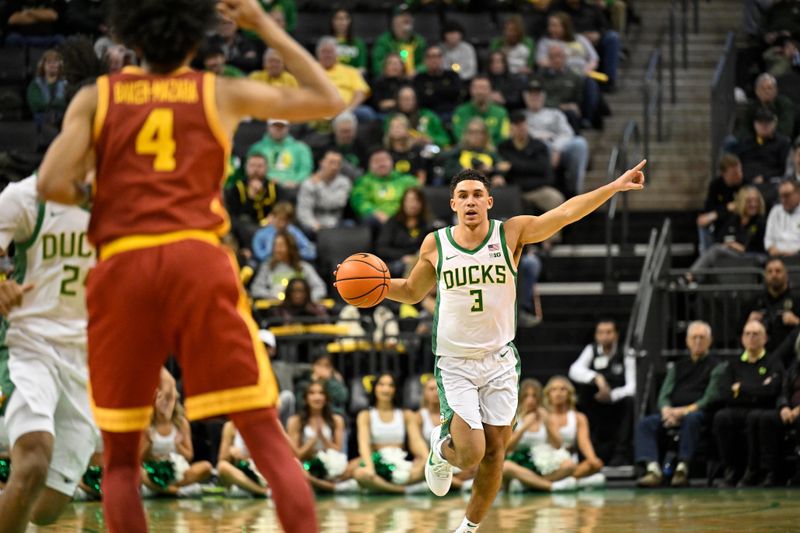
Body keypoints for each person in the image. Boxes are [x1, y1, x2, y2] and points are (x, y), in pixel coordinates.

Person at [35, 1, 345, 531]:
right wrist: (262, 23)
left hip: (124, 263)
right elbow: (328, 97)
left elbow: (50, 183)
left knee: (121, 461)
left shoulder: (97, 97)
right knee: (265, 437)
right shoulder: (217, 91)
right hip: (195, 258)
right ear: (194, 38)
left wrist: (99, 196)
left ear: (131, 38)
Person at [379, 158, 644, 532]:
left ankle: (467, 529)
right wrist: (376, 287)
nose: (470, 201)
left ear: (489, 202)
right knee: (470, 455)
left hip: (500, 360)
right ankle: (441, 450)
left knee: (495, 454)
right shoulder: (435, 244)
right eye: (462, 196)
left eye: (477, 195)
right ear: (452, 205)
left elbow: (566, 212)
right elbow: (411, 291)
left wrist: (612, 187)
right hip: (455, 362)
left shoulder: (511, 234)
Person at [0, 174, 98, 532]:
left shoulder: (128, 204)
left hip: (85, 358)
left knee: (46, 506)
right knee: (34, 459)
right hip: (28, 343)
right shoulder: (28, 196)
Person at [635, 321, 726, 487]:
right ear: (687, 341)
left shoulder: (718, 367)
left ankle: (682, 468)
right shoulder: (677, 367)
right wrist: (666, 411)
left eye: (702, 337)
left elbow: (709, 397)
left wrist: (683, 412)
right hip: (673, 413)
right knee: (646, 424)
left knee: (693, 419)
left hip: (699, 413)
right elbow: (664, 395)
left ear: (710, 341)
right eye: (694, 337)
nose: (698, 341)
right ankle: (653, 469)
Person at [713, 320, 783, 487]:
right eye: (747, 334)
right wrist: (757, 388)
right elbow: (725, 393)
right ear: (742, 339)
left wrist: (741, 388)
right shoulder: (733, 364)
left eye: (756, 334)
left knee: (756, 417)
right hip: (736, 409)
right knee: (721, 417)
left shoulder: (773, 362)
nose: (751, 338)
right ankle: (732, 469)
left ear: (765, 338)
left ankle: (754, 470)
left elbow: (772, 391)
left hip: (762, 409)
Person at [568, 319, 635, 465]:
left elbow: (632, 386)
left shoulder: (626, 352)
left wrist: (612, 395)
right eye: (601, 332)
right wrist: (596, 377)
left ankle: (621, 453)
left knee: (630, 402)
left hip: (618, 402)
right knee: (583, 395)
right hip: (596, 400)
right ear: (596, 336)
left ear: (616, 335)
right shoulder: (591, 349)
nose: (605, 336)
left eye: (609, 332)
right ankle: (587, 452)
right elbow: (574, 370)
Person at [352, 374, 427, 494]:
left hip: (401, 464)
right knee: (360, 474)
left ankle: (384, 487)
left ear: (395, 389)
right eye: (381, 385)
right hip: (376, 464)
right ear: (375, 388)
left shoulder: (406, 414)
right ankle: (403, 491)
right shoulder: (365, 415)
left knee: (425, 469)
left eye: (390, 385)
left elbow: (416, 441)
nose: (386, 389)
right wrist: (369, 467)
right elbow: (363, 444)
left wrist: (425, 458)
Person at [503, 379, 577, 492]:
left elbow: (558, 445)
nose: (530, 400)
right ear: (521, 397)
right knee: (506, 466)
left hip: (542, 462)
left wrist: (547, 423)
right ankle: (551, 486)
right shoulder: (514, 417)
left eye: (534, 396)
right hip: (519, 462)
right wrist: (524, 427)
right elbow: (507, 448)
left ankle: (526, 484)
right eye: (526, 396)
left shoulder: (546, 415)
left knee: (570, 465)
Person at [684, 186, 767, 285]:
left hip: (753, 257)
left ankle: (690, 277)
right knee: (714, 252)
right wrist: (730, 245)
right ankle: (696, 283)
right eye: (749, 201)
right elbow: (720, 239)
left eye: (756, 201)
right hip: (732, 256)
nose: (753, 204)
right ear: (741, 202)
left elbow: (758, 247)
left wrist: (735, 245)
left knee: (715, 251)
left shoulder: (761, 222)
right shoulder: (734, 219)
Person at [523, 79, 590, 197]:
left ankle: (575, 190)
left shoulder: (555, 113)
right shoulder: (522, 116)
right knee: (543, 145)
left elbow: (567, 133)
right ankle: (551, 187)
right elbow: (523, 134)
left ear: (543, 97)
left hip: (559, 147)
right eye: (531, 95)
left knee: (580, 143)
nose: (535, 98)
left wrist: (556, 148)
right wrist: (541, 137)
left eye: (537, 95)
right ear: (525, 98)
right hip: (536, 151)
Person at [140, 392, 212, 496]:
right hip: (153, 471)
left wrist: (178, 446)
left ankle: (161, 489)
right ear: (153, 401)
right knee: (138, 472)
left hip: (179, 470)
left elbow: (189, 456)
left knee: (206, 466)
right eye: (160, 398)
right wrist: (148, 444)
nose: (165, 402)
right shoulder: (146, 425)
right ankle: (177, 491)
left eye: (169, 399)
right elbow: (139, 459)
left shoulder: (181, 423)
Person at [286, 381, 354, 492]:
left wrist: (323, 438)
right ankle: (333, 488)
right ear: (305, 398)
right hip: (306, 464)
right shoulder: (295, 421)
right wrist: (311, 442)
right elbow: (296, 454)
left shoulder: (336, 420)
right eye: (312, 393)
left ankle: (319, 485)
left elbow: (337, 450)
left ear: (326, 398)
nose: (317, 397)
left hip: (330, 463)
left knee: (355, 465)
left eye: (321, 393)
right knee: (297, 469)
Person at [543, 376, 606, 485]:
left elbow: (584, 442)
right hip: (546, 461)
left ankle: (551, 483)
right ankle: (574, 482)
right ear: (548, 394)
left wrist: (593, 459)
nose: (558, 393)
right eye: (554, 390)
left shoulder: (578, 417)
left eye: (563, 389)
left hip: (570, 460)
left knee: (593, 464)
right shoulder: (542, 415)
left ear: (569, 394)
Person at [498, 110, 563, 214]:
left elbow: (544, 170)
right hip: (514, 191)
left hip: (537, 189)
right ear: (511, 128)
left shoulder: (539, 146)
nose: (521, 128)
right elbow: (501, 169)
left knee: (556, 199)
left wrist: (514, 166)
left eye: (523, 124)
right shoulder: (504, 147)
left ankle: (555, 230)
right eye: (517, 125)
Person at [350, 149, 419, 233]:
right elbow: (360, 202)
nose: (381, 164)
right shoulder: (364, 182)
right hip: (377, 220)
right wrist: (376, 213)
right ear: (369, 165)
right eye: (377, 161)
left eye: (384, 160)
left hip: (403, 216)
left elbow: (419, 195)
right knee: (369, 220)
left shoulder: (405, 180)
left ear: (392, 162)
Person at [224, 152, 279, 253]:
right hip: (246, 229)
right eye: (252, 166)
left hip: (271, 226)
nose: (256, 170)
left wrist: (275, 217)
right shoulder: (237, 188)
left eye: (260, 166)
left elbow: (282, 208)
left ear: (267, 168)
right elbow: (235, 216)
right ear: (246, 168)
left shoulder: (274, 187)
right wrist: (251, 198)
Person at [250, 231, 326, 301]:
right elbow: (256, 289)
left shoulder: (304, 267)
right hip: (275, 310)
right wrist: (272, 296)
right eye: (275, 246)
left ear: (290, 248)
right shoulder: (267, 267)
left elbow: (320, 288)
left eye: (281, 246)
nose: (277, 250)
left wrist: (305, 300)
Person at [745, 258, 800, 354]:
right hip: (762, 355)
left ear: (786, 275)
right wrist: (749, 322)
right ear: (765, 275)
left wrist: (796, 321)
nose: (774, 275)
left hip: (791, 355)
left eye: (778, 271)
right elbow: (739, 329)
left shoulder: (797, 298)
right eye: (770, 272)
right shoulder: (756, 299)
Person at [316, 37, 375, 124]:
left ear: (337, 54)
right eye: (324, 52)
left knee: (367, 113)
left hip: (347, 109)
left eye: (330, 52)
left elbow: (360, 93)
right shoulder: (310, 70)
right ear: (318, 54)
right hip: (317, 110)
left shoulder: (350, 71)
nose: (327, 55)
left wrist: (348, 110)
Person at [248, 119, 314, 196]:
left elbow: (306, 170)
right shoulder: (257, 148)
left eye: (282, 126)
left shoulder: (301, 148)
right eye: (275, 126)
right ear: (268, 127)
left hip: (294, 189)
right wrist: (267, 180)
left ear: (288, 127)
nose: (278, 129)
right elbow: (250, 169)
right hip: (264, 187)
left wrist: (296, 181)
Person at [377, 187, 432, 277]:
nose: (412, 204)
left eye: (416, 201)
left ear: (422, 204)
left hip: (419, 262)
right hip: (396, 262)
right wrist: (403, 257)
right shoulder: (393, 222)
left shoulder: (427, 224)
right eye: (409, 200)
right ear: (403, 203)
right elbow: (382, 249)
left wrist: (416, 258)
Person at [296, 150, 352, 236]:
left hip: (335, 223)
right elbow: (303, 211)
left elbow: (335, 203)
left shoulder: (344, 182)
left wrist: (319, 186)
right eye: (331, 162)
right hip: (312, 225)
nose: (334, 167)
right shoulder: (308, 183)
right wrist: (314, 224)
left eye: (338, 164)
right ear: (322, 162)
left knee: (350, 225)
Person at [696, 153, 744, 254]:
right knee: (702, 222)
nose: (739, 175)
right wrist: (725, 209)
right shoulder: (716, 185)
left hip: (739, 224)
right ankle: (706, 255)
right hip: (720, 223)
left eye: (740, 171)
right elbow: (707, 213)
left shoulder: (745, 184)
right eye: (734, 173)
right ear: (724, 174)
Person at [443, 118, 508, 184]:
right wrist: (462, 172)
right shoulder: (458, 151)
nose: (475, 136)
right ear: (466, 134)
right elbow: (447, 172)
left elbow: (503, 166)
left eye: (479, 132)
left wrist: (493, 171)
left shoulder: (490, 152)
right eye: (471, 132)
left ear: (485, 135)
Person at [735, 108, 792, 183]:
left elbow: (782, 169)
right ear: (754, 125)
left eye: (767, 123)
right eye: (760, 123)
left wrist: (765, 177)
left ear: (774, 124)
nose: (764, 126)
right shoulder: (745, 142)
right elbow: (737, 162)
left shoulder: (783, 143)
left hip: (769, 182)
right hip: (744, 180)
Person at [452, 76, 510, 148]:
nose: (480, 92)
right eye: (476, 88)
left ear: (490, 90)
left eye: (484, 88)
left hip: (494, 152)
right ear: (471, 90)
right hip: (467, 151)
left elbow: (504, 137)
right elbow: (459, 135)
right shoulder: (461, 111)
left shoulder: (501, 113)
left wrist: (488, 147)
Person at [216, 420, 268, 497]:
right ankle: (262, 491)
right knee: (222, 466)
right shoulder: (230, 426)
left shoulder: (263, 424)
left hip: (260, 468)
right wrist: (230, 451)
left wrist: (248, 456)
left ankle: (263, 489)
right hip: (240, 470)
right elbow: (222, 459)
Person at [251, 202, 316, 262]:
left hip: (293, 265)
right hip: (271, 266)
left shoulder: (294, 231)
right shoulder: (261, 234)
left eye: (286, 220)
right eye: (279, 219)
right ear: (273, 217)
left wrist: (293, 253)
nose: (282, 224)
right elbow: (259, 255)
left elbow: (311, 252)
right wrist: (275, 253)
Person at [372, 6, 427, 77]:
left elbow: (425, 63)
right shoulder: (384, 41)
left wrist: (416, 71)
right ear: (394, 20)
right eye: (402, 15)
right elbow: (378, 66)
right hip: (392, 80)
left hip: (415, 80)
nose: (407, 18)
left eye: (409, 15)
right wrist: (396, 72)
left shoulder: (419, 41)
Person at [413, 45, 463, 120]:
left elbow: (456, 93)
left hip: (450, 112)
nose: (434, 60)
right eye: (431, 57)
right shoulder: (419, 78)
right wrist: (444, 91)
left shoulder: (452, 75)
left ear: (442, 59)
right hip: (427, 114)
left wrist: (432, 91)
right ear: (425, 60)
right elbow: (421, 99)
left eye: (438, 56)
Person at [26, 49, 67, 134]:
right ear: (43, 65)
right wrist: (56, 105)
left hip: (62, 118)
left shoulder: (66, 84)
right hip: (41, 119)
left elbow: (67, 103)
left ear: (60, 65)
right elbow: (36, 105)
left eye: (55, 62)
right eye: (49, 62)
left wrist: (50, 105)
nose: (52, 65)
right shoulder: (35, 84)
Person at [384, 114, 427, 183]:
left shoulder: (415, 150)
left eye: (400, 126)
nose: (396, 129)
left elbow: (421, 174)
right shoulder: (385, 152)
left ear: (408, 130)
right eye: (393, 127)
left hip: (412, 188)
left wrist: (416, 190)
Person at [764, 179, 800, 257]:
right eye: (781, 196)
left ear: (798, 194)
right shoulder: (775, 211)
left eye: (787, 195)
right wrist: (771, 248)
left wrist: (795, 253)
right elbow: (768, 239)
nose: (784, 200)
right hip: (777, 257)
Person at [330, 8, 367, 74]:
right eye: (338, 18)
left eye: (344, 18)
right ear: (333, 21)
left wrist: (348, 77)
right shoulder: (327, 43)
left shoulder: (358, 43)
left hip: (352, 81)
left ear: (349, 21)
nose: (341, 22)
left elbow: (362, 69)